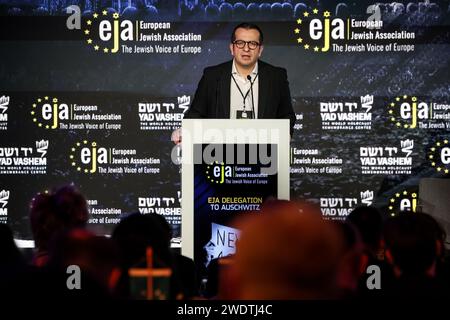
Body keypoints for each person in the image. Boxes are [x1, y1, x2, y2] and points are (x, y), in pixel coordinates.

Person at [172, 22, 296, 144]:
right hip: (221, 154)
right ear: (232, 48)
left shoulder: (276, 76)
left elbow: (287, 114)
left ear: (260, 50)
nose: (246, 48)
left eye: (252, 44)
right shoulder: (212, 75)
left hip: (264, 154)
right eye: (240, 43)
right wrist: (185, 131)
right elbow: (196, 113)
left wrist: (285, 134)